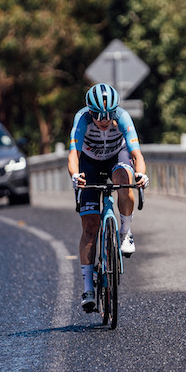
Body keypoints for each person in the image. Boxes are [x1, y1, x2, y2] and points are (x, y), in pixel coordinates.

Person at [66, 83, 148, 313]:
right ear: (89, 111)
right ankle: (87, 288)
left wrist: (141, 173)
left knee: (125, 177)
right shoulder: (81, 119)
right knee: (90, 228)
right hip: (90, 164)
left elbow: (136, 154)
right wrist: (75, 176)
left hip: (116, 158)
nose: (103, 120)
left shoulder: (122, 117)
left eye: (108, 115)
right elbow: (73, 154)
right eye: (98, 115)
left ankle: (126, 232)